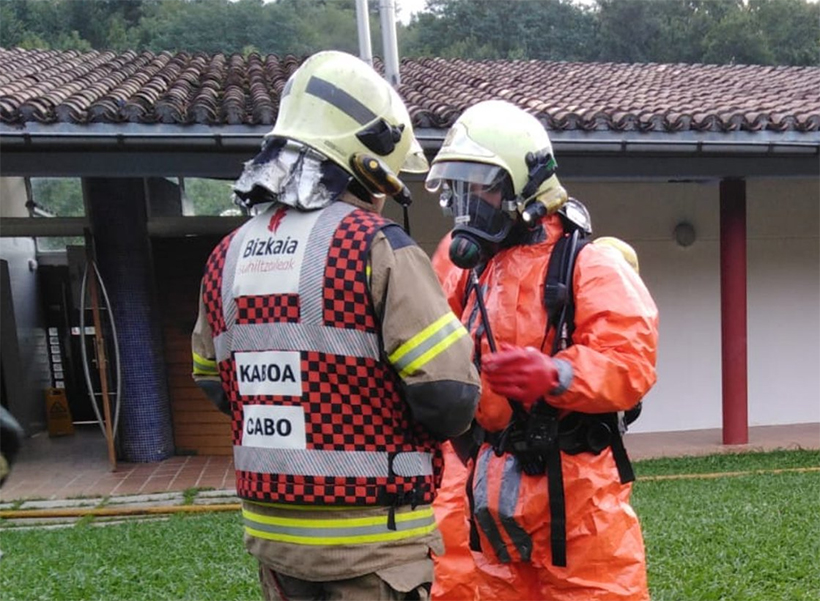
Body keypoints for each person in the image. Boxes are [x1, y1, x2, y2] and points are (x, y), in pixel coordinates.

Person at [191, 50, 480, 601]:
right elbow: (449, 398)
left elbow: (215, 382)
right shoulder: (375, 247)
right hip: (372, 548)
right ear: (367, 162)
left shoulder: (226, 256)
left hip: (276, 543)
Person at [424, 100, 659, 601]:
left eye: (481, 186)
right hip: (490, 492)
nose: (469, 203)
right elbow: (425, 339)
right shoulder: (468, 269)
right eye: (459, 189)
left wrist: (555, 375)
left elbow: (630, 363)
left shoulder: (589, 265)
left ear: (521, 185)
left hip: (578, 502)